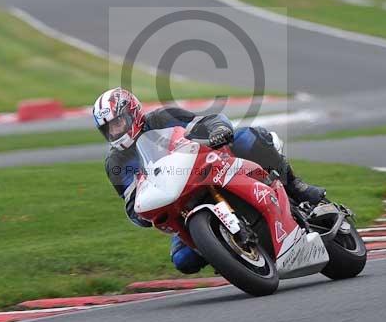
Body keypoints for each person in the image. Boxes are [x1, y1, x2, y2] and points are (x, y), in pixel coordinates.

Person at [94, 87, 326, 274]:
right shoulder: (116, 162)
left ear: (132, 113)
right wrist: (141, 212)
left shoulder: (163, 117)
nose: (115, 131)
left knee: (247, 137)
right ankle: (224, 251)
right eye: (108, 129)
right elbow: (131, 200)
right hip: (179, 205)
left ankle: (295, 186)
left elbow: (209, 120)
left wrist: (218, 130)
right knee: (183, 260)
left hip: (209, 166)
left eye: (118, 123)